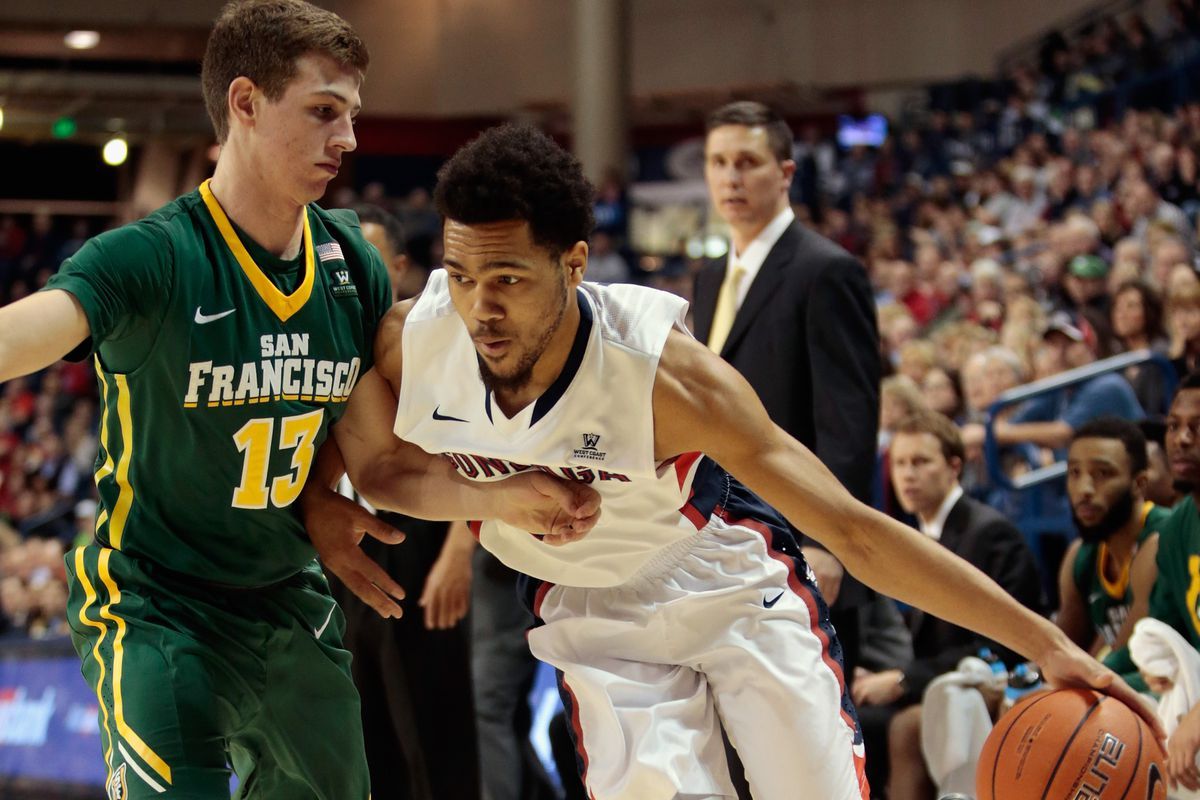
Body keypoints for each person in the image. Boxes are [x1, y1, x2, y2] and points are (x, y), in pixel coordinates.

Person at [309, 122, 1161, 800]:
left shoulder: (668, 380)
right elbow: (383, 470)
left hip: (719, 578)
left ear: (573, 263)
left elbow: (858, 534)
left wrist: (1047, 642)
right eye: (460, 276)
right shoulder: (413, 342)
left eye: (508, 280)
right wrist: (485, 498)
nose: (479, 309)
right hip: (591, 612)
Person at [0, 3, 597, 797]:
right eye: (323, 112)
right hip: (155, 598)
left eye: (350, 114)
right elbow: (26, 331)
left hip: (285, 595)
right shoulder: (152, 256)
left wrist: (502, 496)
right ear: (245, 104)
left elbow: (380, 464)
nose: (346, 138)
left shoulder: (350, 259)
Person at [691, 100, 881, 687]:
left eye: (747, 161)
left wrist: (828, 538)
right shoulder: (711, 275)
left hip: (797, 539)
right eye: (718, 162)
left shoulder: (827, 270)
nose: (731, 177)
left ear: (786, 173)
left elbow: (848, 425)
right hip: (720, 535)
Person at [329, 204, 481, 800]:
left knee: (434, 730)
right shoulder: (324, 343)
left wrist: (458, 553)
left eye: (366, 260)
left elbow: (479, 454)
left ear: (396, 266)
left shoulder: (434, 341)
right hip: (346, 552)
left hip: (422, 548)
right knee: (369, 735)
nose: (351, 274)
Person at [858, 411, 1042, 800]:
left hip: (994, 680)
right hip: (944, 679)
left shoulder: (989, 532)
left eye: (921, 462)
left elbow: (1006, 644)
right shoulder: (919, 533)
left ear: (954, 466)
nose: (908, 475)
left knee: (892, 724)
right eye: (901, 464)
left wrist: (903, 681)